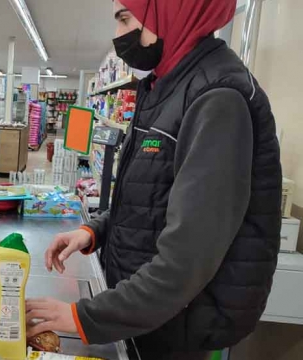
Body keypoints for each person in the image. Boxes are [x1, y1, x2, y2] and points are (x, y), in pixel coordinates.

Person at [26, 1, 282, 359]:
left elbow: (185, 262)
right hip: (147, 314)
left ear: (171, 10)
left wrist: (81, 316)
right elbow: (150, 202)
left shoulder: (217, 100)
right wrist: (94, 231)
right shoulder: (166, 87)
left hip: (179, 324)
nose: (118, 35)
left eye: (125, 18)